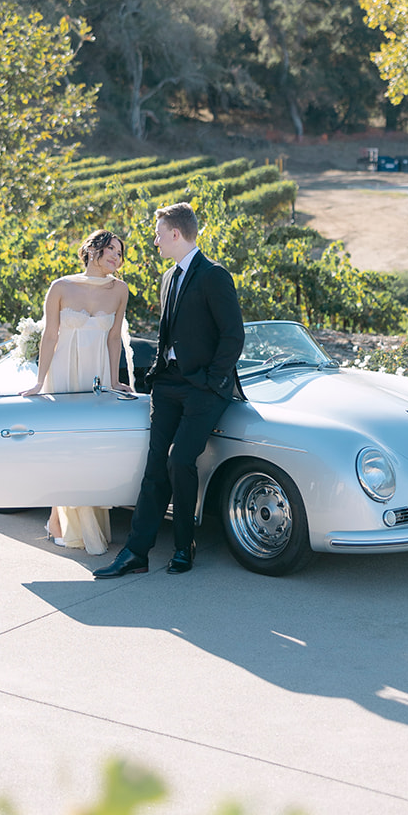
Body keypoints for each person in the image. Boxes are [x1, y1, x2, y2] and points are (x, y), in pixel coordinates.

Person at [94, 202, 244, 578]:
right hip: (168, 386)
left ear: (176, 234)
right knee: (155, 466)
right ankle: (136, 554)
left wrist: (212, 381)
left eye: (159, 233)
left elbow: (233, 335)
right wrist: (158, 374)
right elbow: (169, 333)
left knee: (181, 461)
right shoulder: (167, 277)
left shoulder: (214, 275)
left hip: (204, 390)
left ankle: (183, 546)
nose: (155, 240)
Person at [21, 229, 131, 555]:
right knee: (65, 446)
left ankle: (79, 523)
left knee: (91, 448)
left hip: (95, 375)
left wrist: (113, 382)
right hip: (64, 374)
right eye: (111, 249)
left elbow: (114, 340)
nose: (117, 257)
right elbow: (50, 337)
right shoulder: (60, 287)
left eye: (120, 253)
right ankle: (59, 521)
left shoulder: (120, 290)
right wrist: (41, 383)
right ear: (92, 250)